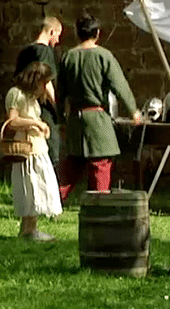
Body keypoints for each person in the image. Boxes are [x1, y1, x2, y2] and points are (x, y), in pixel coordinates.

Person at [57, 12, 141, 204]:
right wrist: (133, 110)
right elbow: (120, 85)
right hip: (97, 118)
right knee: (101, 164)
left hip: (75, 119)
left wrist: (61, 120)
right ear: (97, 33)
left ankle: (52, 201)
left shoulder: (68, 57)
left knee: (72, 165)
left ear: (78, 33)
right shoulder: (104, 56)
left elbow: (60, 93)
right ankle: (98, 204)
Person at [4, 61, 63, 241]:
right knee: (29, 187)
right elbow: (12, 121)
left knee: (37, 186)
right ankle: (27, 230)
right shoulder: (16, 94)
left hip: (37, 147)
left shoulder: (31, 97)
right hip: (26, 148)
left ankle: (30, 229)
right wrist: (35, 123)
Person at [14, 17, 63, 167]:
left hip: (26, 106)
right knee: (50, 150)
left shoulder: (25, 51)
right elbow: (46, 82)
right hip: (43, 106)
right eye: (58, 35)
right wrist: (57, 106)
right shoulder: (45, 52)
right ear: (51, 31)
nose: (58, 40)